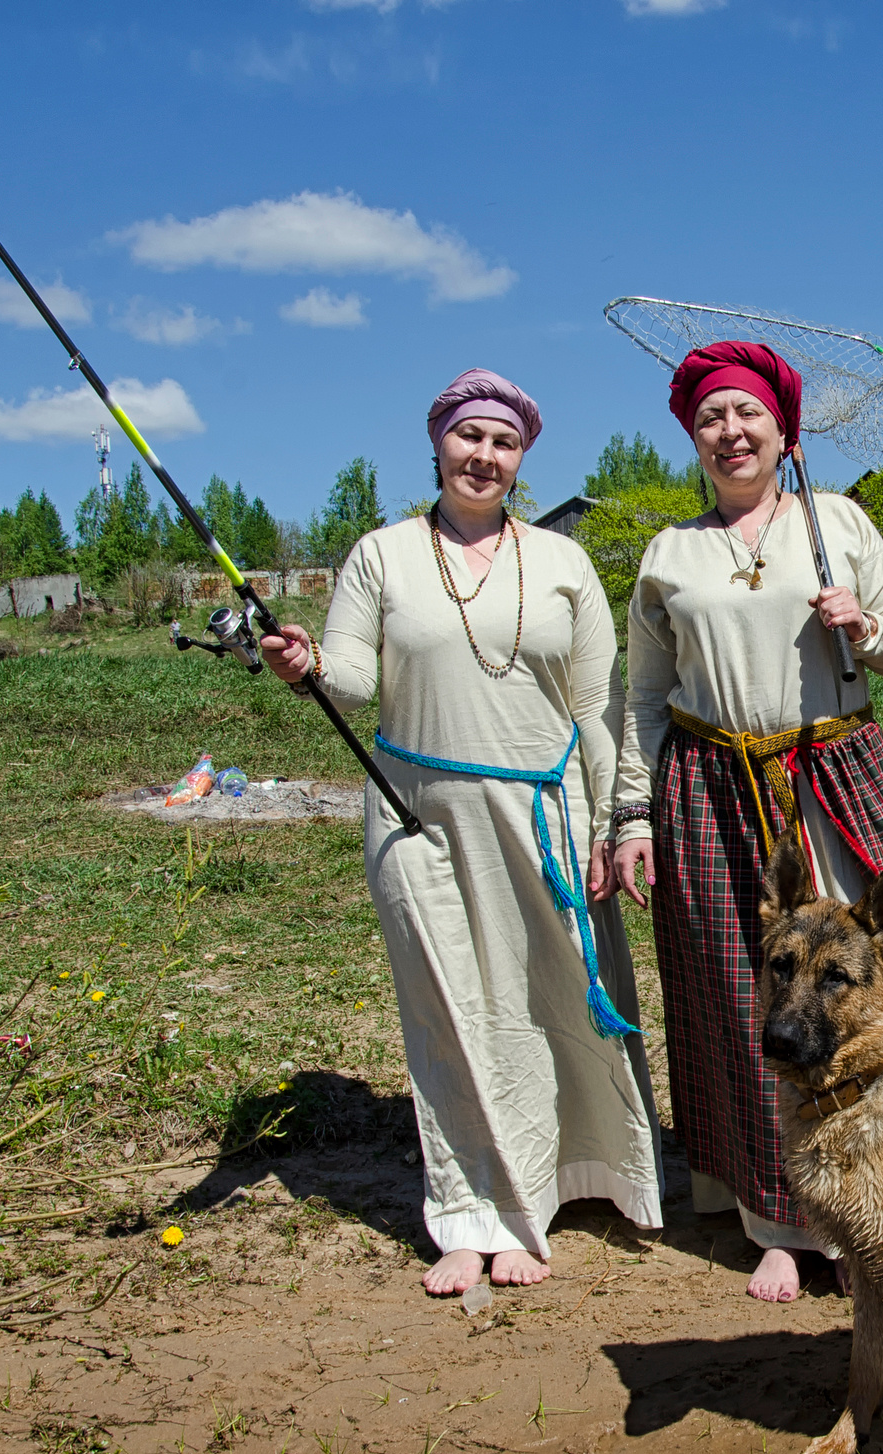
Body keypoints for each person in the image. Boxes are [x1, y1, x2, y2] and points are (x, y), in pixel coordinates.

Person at [609, 340, 883, 1302]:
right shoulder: (671, 554)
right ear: (694, 438)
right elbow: (646, 699)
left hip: (832, 771)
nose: (731, 432)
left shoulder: (835, 523)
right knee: (741, 996)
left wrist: (863, 627)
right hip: (713, 786)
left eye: (747, 413)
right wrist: (633, 814)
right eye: (711, 418)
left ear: (782, 429)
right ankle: (779, 1219)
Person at [260, 369, 659, 1293]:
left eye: (503, 442)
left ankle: (558, 1185)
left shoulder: (562, 563)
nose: (484, 455)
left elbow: (598, 708)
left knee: (544, 1004)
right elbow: (351, 678)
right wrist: (305, 662)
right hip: (420, 819)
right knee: (451, 1009)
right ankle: (478, 1211)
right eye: (469, 436)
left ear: (523, 459)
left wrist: (609, 821)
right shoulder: (382, 556)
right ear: (438, 443)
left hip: (546, 816)